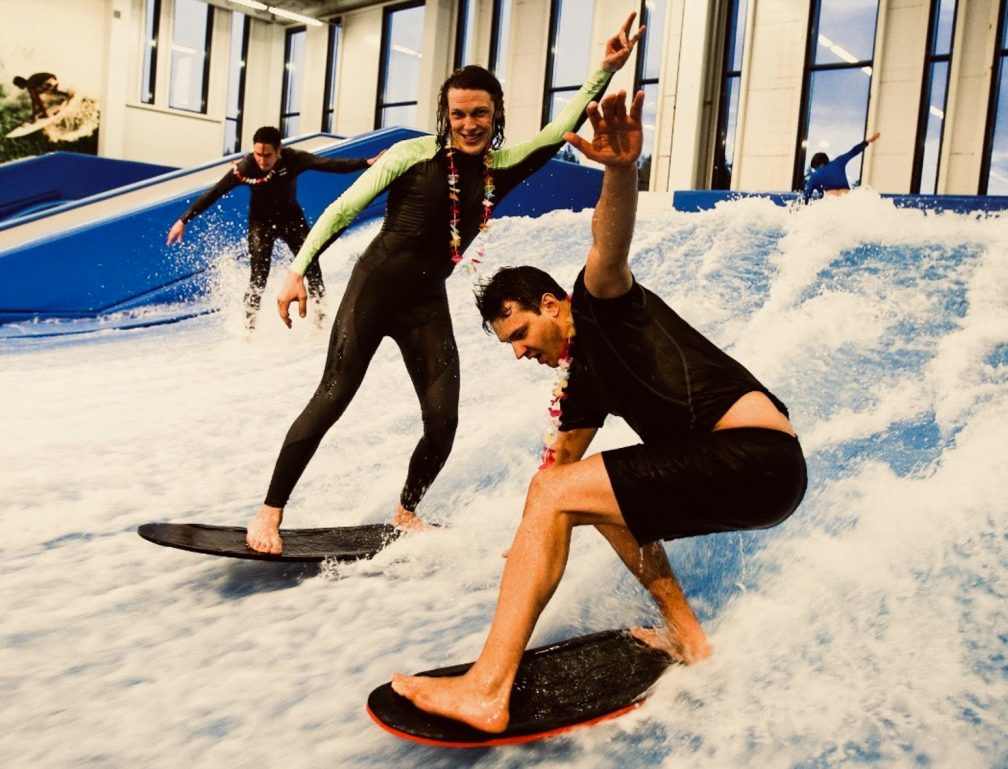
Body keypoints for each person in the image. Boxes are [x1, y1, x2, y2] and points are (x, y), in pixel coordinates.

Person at [389, 90, 808, 734]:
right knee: (589, 495)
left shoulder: (599, 304)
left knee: (565, 494)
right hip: (758, 474)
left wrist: (620, 170)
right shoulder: (582, 383)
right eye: (509, 346)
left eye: (521, 334)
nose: (520, 352)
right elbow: (556, 475)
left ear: (551, 304)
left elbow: (608, 244)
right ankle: (690, 637)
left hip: (758, 457)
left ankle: (487, 689)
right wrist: (527, 541)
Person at [245, 14, 646, 553]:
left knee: (442, 420)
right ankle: (269, 512)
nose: (469, 124)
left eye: (480, 113)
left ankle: (406, 511)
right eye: (458, 114)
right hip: (374, 291)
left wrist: (605, 69)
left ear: (496, 113)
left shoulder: (503, 168)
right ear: (445, 115)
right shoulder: (413, 155)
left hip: (426, 304)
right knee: (333, 396)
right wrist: (296, 271)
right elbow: (343, 209)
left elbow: (559, 130)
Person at [167, 126, 378, 329]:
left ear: (279, 150)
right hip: (261, 224)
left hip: (291, 220)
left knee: (312, 267)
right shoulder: (246, 167)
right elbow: (215, 192)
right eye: (257, 154)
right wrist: (183, 220)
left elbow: (329, 164)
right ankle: (248, 330)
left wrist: (365, 162)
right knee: (258, 277)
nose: (261, 160)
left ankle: (320, 322)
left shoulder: (293, 159)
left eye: (267, 155)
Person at [802, 132, 881, 201]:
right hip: (846, 198)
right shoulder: (838, 162)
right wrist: (868, 141)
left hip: (830, 201)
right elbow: (853, 151)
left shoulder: (815, 175)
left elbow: (806, 196)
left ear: (818, 165)